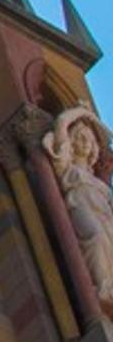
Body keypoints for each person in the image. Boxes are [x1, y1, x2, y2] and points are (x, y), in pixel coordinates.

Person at [44, 107, 113, 314]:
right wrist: (87, 115)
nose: (85, 143)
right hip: (79, 206)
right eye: (81, 138)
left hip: (104, 214)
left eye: (89, 140)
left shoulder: (96, 180)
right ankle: (102, 289)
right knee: (95, 236)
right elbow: (62, 123)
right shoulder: (66, 165)